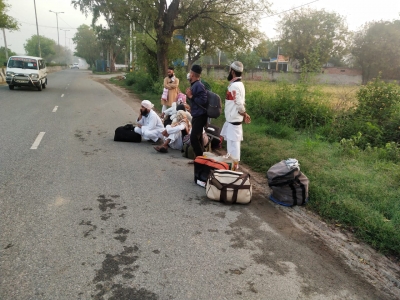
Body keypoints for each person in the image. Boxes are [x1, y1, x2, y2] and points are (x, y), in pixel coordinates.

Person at [220, 61, 251, 170]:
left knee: (233, 146)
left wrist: (244, 113)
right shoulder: (239, 84)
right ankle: (233, 167)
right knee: (232, 145)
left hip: (234, 120)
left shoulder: (234, 86)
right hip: (232, 120)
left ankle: (234, 168)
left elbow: (239, 103)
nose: (229, 71)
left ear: (232, 72)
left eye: (229, 70)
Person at [185, 65, 208, 162]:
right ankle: (199, 159)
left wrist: (191, 96)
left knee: (193, 137)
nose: (189, 75)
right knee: (198, 138)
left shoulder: (199, 85)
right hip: (196, 114)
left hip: (200, 115)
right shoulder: (195, 84)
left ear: (193, 74)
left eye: (190, 73)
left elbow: (203, 100)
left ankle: (200, 160)